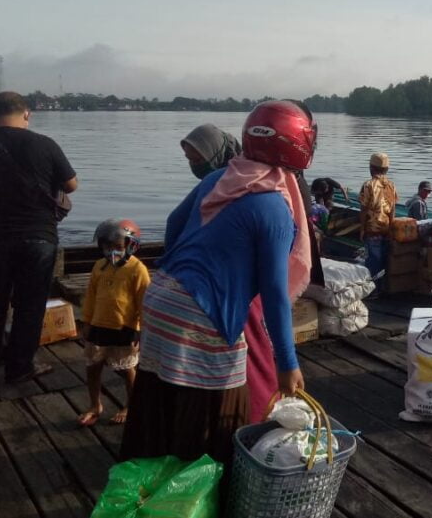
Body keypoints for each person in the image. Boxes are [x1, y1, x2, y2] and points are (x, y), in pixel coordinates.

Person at [121, 100, 315, 464]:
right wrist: (287, 364)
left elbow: (174, 223)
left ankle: (149, 485)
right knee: (219, 421)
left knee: (159, 407)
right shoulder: (273, 206)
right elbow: (274, 292)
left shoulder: (220, 177)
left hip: (162, 295)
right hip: (202, 314)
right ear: (295, 143)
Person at [0, 91, 78, 383]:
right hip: (39, 238)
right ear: (27, 113)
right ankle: (20, 366)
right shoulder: (45, 144)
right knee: (30, 304)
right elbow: (72, 185)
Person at [78, 219, 150, 427]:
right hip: (99, 326)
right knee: (93, 367)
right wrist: (87, 321)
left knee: (128, 370)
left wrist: (141, 331)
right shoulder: (99, 267)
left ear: (130, 246)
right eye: (107, 247)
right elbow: (91, 296)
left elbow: (144, 303)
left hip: (124, 329)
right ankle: (95, 405)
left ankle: (131, 405)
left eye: (118, 247)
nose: (112, 252)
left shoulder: (138, 270)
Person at [359, 153, 398, 296]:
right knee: (383, 260)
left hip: (372, 229)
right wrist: (391, 228)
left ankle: (372, 292)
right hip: (386, 228)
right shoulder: (391, 185)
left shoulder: (368, 185)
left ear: (371, 168)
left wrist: (362, 229)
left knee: (373, 261)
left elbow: (363, 209)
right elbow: (393, 209)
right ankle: (382, 289)